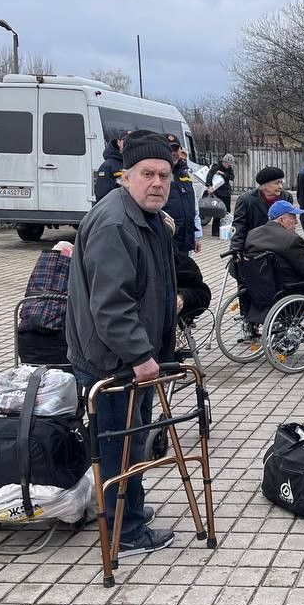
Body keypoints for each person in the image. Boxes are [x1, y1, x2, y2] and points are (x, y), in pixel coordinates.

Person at [66, 130, 179, 559]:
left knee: (130, 440)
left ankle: (130, 508)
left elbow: (143, 287)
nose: (157, 183)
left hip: (129, 357)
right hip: (114, 360)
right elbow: (111, 305)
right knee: (117, 445)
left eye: (164, 175)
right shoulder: (116, 224)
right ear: (124, 177)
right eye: (147, 174)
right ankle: (123, 530)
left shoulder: (143, 218)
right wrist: (140, 355)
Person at [243, 199, 304, 290]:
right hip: (290, 289)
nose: (296, 221)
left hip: (260, 289)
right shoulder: (292, 240)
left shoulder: (252, 234)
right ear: (281, 220)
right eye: (293, 217)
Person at [229, 167, 284, 253]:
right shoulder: (246, 200)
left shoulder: (286, 197)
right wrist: (236, 250)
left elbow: (290, 223)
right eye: (276, 183)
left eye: (281, 182)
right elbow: (239, 227)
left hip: (279, 247)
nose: (280, 187)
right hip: (255, 247)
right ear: (264, 184)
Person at [163, 134, 201, 255]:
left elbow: (193, 207)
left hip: (185, 242)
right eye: (169, 149)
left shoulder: (184, 173)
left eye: (175, 149)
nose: (173, 153)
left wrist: (197, 236)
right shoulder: (160, 175)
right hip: (167, 241)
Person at [204, 154, 235, 237]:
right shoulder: (216, 167)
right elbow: (209, 176)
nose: (229, 166)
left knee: (227, 212)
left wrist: (223, 174)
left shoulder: (229, 169)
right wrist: (209, 186)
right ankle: (215, 232)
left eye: (230, 165)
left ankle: (225, 229)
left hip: (226, 192)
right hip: (218, 193)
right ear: (225, 162)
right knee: (218, 212)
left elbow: (232, 177)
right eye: (228, 164)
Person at [93, 131, 127, 202]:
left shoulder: (135, 163)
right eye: (124, 140)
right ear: (118, 142)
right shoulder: (108, 166)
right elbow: (102, 194)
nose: (127, 142)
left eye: (130, 140)